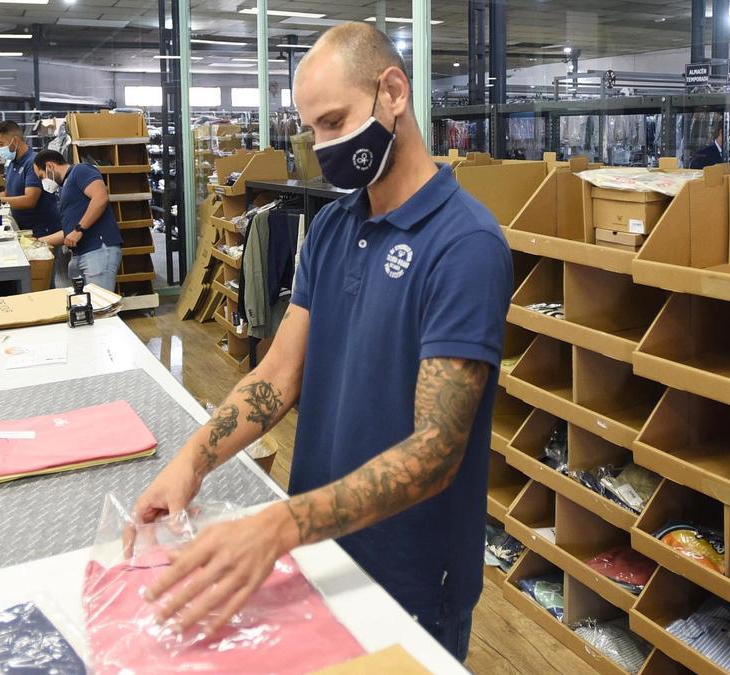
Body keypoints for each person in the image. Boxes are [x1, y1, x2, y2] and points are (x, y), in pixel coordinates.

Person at [129, 22, 512, 662]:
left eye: (334, 122)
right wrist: (191, 460)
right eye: (311, 130)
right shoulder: (333, 226)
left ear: (393, 92)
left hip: (410, 578)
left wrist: (274, 526)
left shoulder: (465, 244)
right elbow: (278, 375)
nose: (323, 146)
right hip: (318, 550)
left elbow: (435, 452)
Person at [33, 149, 123, 292]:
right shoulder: (65, 188)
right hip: (81, 254)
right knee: (85, 306)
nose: (42, 181)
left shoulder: (80, 171)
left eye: (41, 176)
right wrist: (37, 241)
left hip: (97, 250)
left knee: (99, 306)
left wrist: (78, 230)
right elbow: (69, 233)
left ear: (49, 166)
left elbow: (100, 198)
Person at [0, 121, 62, 240]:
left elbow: (29, 200)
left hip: (43, 232)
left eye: (1, 144)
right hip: (25, 230)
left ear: (15, 141)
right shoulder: (12, 163)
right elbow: (9, 192)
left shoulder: (33, 162)